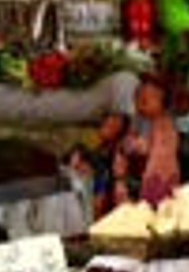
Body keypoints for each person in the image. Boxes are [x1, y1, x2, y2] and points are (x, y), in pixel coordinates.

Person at [112, 75, 180, 206]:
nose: (142, 101)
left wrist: (143, 146)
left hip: (160, 177)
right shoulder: (136, 121)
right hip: (137, 175)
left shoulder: (165, 123)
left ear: (163, 102)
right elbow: (124, 148)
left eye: (149, 97)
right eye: (139, 97)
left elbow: (161, 151)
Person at [69, 113, 129, 218]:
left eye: (112, 126)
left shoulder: (117, 152)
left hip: (104, 195)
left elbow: (109, 175)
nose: (105, 127)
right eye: (105, 123)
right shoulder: (99, 150)